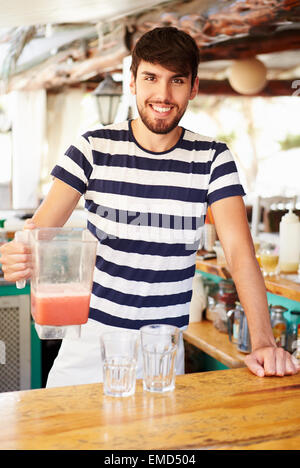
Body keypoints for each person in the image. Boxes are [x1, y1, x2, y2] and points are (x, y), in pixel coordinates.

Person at [0, 27, 298, 387]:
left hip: (161, 347)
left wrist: (265, 343)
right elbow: (40, 234)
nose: (162, 94)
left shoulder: (213, 158)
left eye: (176, 80)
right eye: (151, 78)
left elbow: (238, 252)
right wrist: (17, 254)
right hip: (91, 342)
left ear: (194, 87)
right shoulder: (93, 148)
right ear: (133, 82)